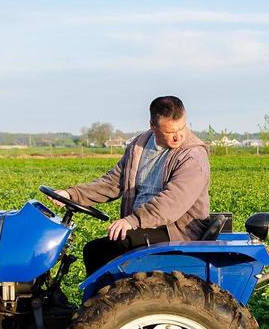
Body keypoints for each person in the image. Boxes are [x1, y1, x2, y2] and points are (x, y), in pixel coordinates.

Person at [54, 95, 211, 275]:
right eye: (169, 132)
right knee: (94, 250)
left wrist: (133, 220)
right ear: (153, 126)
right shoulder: (140, 145)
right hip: (145, 226)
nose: (178, 136)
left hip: (176, 230)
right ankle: (101, 300)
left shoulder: (192, 156)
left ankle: (104, 302)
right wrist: (72, 194)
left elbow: (172, 201)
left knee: (99, 252)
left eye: (182, 128)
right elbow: (112, 182)